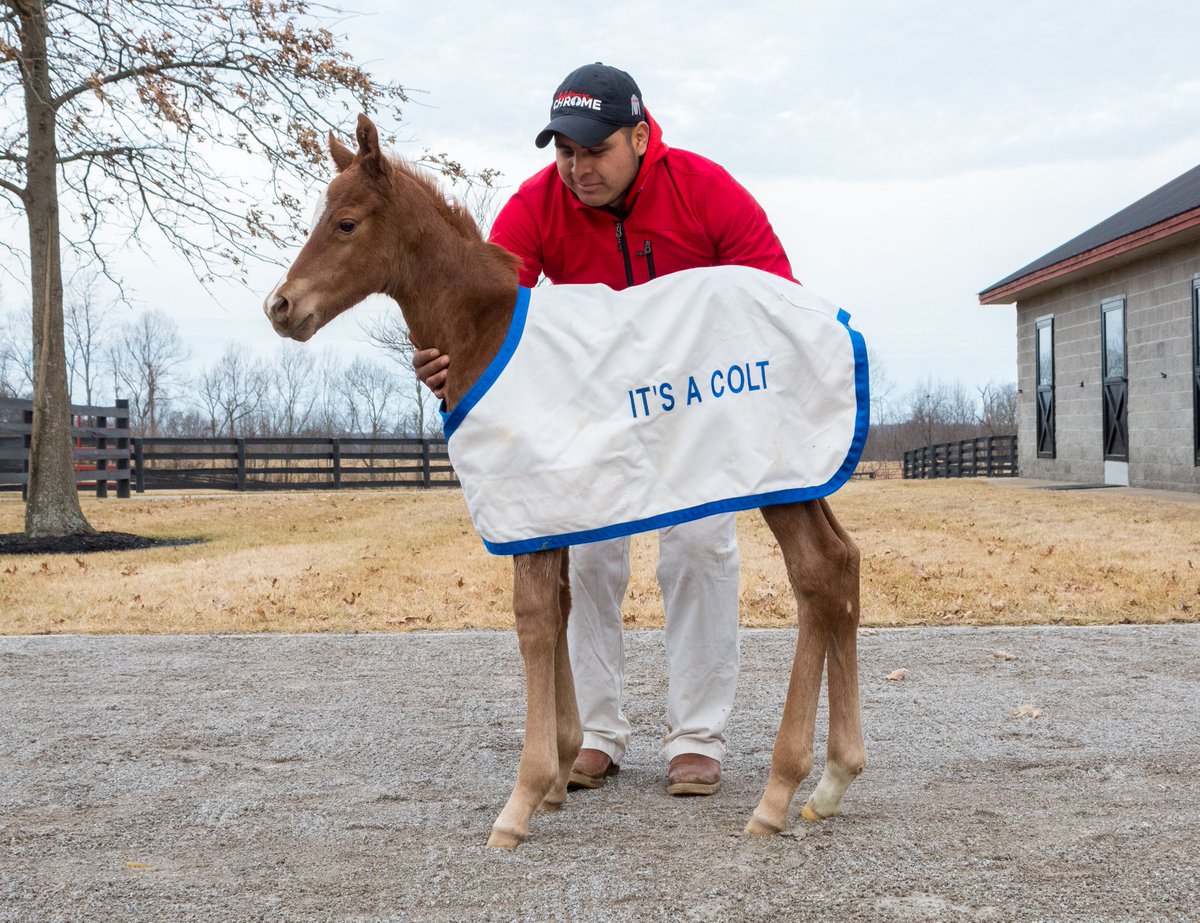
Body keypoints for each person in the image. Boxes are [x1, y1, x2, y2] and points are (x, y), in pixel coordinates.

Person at [415, 63, 794, 796]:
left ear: (640, 137)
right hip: (595, 407)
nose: (577, 167)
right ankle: (597, 729)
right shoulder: (536, 205)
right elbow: (487, 316)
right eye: (564, 151)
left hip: (694, 405)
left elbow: (775, 297)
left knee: (697, 548)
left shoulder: (704, 188)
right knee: (590, 554)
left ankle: (696, 738)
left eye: (594, 150)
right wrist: (448, 356)